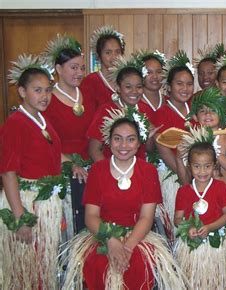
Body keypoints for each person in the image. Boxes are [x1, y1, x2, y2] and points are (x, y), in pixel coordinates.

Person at [61, 117, 188, 290]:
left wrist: (127, 247)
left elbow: (146, 217)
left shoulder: (148, 171)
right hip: (102, 234)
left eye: (130, 139)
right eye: (117, 138)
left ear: (138, 144)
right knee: (98, 260)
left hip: (136, 235)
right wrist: (112, 242)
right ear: (109, 141)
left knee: (138, 260)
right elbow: (91, 216)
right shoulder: (98, 170)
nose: (123, 145)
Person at [0, 54, 87, 289]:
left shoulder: (41, 119)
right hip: (28, 204)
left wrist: (72, 164)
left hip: (46, 203)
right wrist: (20, 218)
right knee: (27, 269)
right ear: (22, 92)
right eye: (37, 90)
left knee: (43, 267)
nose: (45, 96)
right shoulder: (16, 124)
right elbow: (8, 173)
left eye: (48, 90)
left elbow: (52, 152)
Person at [181, 87, 226, 279]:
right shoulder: (191, 138)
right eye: (202, 110)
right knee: (202, 264)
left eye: (212, 110)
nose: (207, 115)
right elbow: (186, 178)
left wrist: (215, 152)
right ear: (196, 114)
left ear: (222, 112)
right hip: (199, 205)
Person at [43, 34, 95, 234]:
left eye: (82, 68)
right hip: (62, 167)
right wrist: (70, 165)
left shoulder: (87, 93)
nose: (80, 72)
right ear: (58, 69)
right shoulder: (48, 100)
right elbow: (46, 141)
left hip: (88, 165)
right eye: (73, 67)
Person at [174, 130, 226, 289]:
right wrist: (188, 228)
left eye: (207, 166)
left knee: (214, 282)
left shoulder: (220, 187)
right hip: (191, 245)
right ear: (189, 166)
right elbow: (177, 218)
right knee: (192, 281)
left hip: (214, 246)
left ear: (214, 165)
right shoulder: (183, 191)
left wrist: (209, 227)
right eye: (197, 166)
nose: (202, 171)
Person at [149, 50, 196, 241]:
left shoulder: (197, 109)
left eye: (189, 84)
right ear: (168, 87)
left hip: (198, 173)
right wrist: (184, 177)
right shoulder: (161, 114)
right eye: (179, 83)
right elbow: (162, 147)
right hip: (175, 176)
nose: (185, 88)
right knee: (178, 229)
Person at [87, 56, 153, 162]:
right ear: (118, 88)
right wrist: (109, 173)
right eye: (128, 87)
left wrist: (150, 135)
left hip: (138, 169)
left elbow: (149, 149)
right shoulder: (106, 110)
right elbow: (94, 150)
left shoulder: (145, 110)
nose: (134, 91)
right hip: (110, 168)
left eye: (139, 87)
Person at [80, 25, 125, 108]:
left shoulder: (127, 79)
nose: (114, 57)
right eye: (108, 52)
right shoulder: (90, 82)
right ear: (99, 55)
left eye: (118, 52)